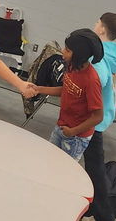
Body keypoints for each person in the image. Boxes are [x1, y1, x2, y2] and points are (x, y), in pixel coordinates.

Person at [80, 13, 116, 221]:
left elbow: (90, 80)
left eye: (97, 22)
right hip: (105, 113)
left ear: (102, 29)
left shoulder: (96, 54)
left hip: (91, 115)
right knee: (93, 164)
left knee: (95, 168)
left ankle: (104, 217)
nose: (95, 25)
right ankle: (101, 214)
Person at [32, 31, 103, 161]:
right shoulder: (71, 66)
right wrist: (39, 89)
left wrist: (73, 131)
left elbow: (98, 117)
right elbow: (66, 89)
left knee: (64, 168)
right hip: (62, 126)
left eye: (68, 50)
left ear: (79, 56)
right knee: (49, 160)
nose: (63, 52)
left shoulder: (91, 80)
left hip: (76, 137)